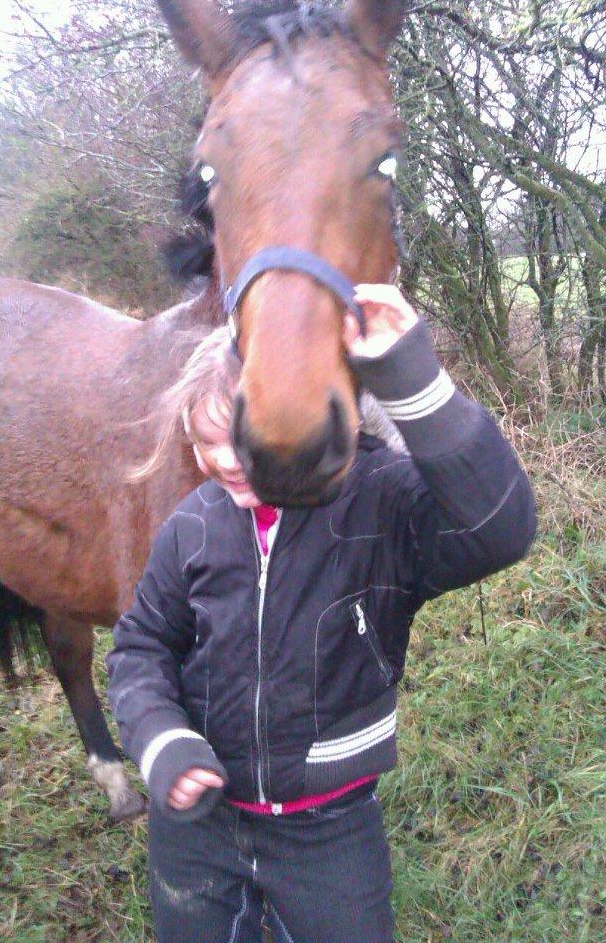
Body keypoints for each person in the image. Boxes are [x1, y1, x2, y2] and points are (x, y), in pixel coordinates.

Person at [107, 284, 536, 943]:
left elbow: (498, 528)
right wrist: (162, 741)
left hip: (329, 831)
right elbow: (141, 647)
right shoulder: (192, 526)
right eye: (202, 442)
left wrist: (410, 374)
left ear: (295, 424)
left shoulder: (380, 505)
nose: (222, 462)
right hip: (197, 830)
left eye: (241, 440)